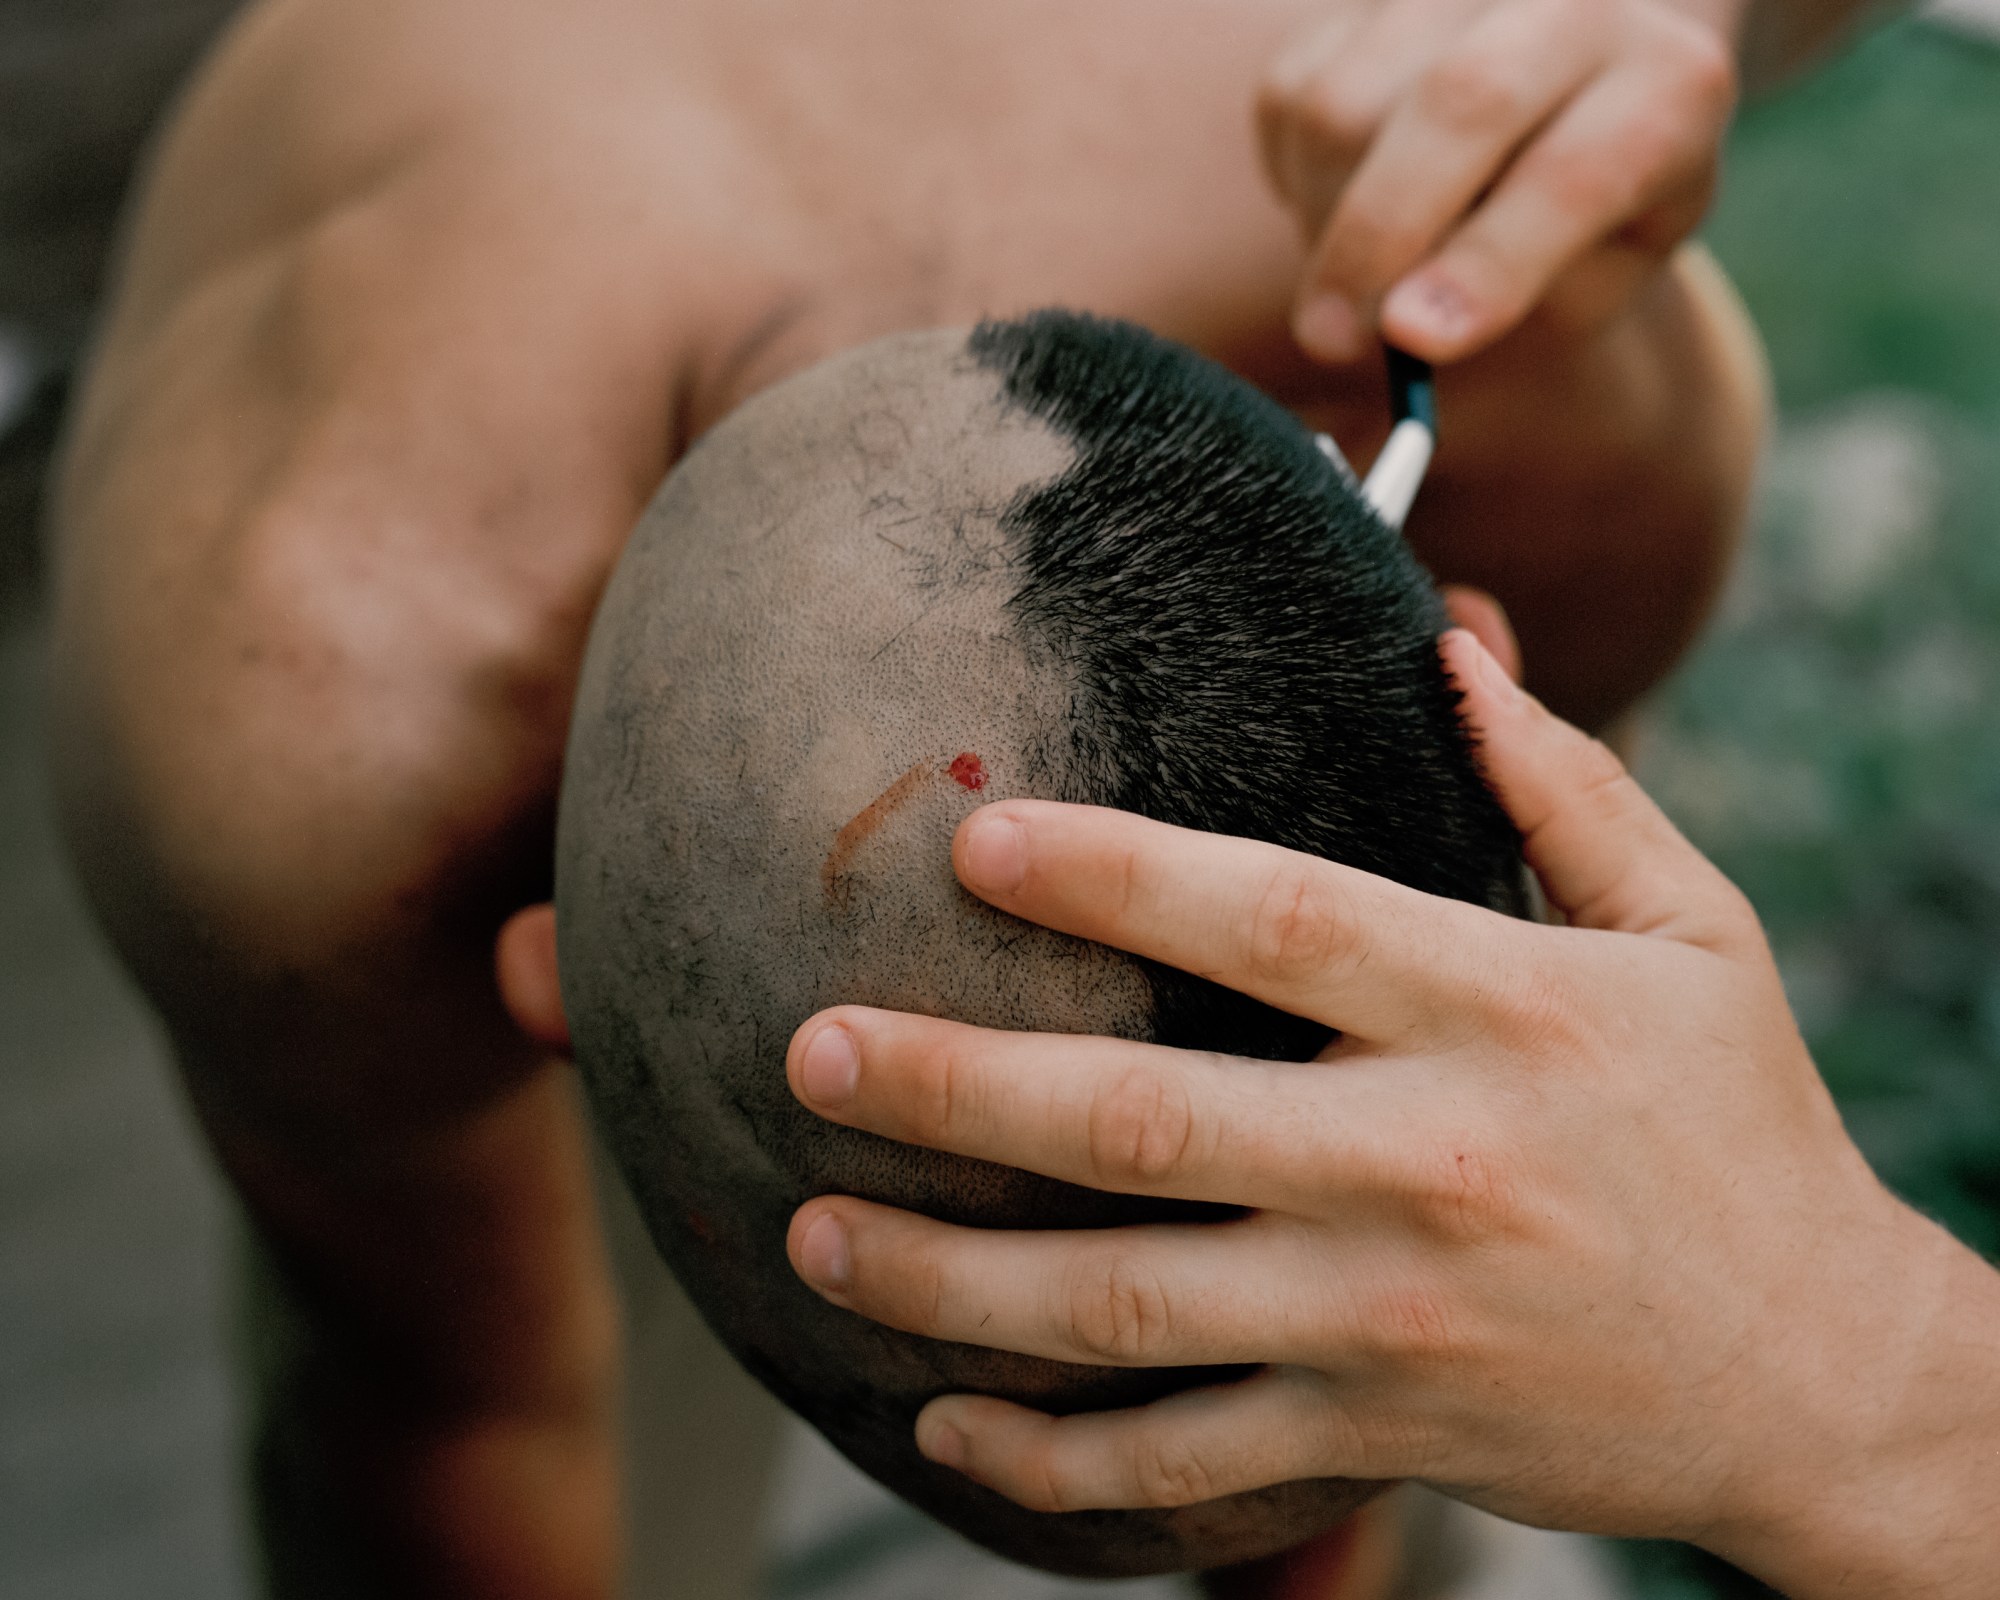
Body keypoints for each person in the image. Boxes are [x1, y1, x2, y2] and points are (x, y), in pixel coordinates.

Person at [46, 0, 1878, 1594]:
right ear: (551, 983)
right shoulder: (305, 737)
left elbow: (1408, 1150)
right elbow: (463, 1414)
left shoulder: (1593, 452)